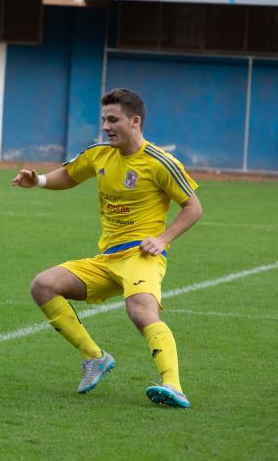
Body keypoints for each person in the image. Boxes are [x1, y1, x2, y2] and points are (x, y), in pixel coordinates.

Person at [12, 88, 202, 408]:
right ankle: (94, 357)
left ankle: (173, 385)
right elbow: (70, 176)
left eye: (113, 120)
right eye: (104, 120)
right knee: (43, 285)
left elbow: (193, 207)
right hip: (107, 259)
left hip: (140, 256)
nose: (106, 126)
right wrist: (40, 181)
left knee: (140, 310)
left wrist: (163, 238)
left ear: (135, 121)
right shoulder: (100, 153)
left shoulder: (160, 163)